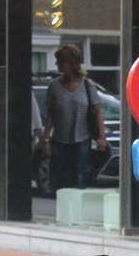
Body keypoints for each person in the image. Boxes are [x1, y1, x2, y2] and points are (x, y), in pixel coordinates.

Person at [40, 44, 107, 193]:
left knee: (80, 179)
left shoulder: (87, 85)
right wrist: (45, 140)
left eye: (60, 61)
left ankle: (77, 213)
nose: (57, 65)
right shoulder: (54, 86)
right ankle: (61, 211)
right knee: (57, 180)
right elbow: (50, 115)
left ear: (70, 63)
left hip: (81, 139)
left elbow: (97, 112)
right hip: (59, 140)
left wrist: (102, 138)